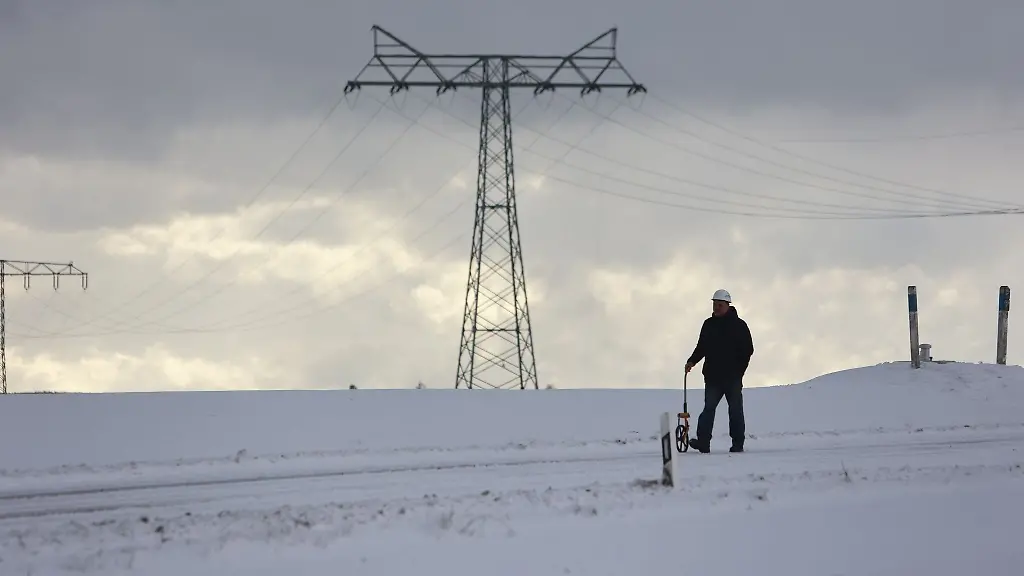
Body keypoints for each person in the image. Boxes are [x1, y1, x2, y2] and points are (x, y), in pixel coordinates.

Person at [684, 289, 754, 453]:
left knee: (735, 410)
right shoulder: (708, 324)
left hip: (733, 378)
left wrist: (739, 371)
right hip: (712, 376)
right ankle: (703, 442)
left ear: (728, 305)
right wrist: (692, 360)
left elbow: (748, 350)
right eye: (714, 304)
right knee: (708, 409)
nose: (716, 307)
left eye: (719, 305)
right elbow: (702, 346)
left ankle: (737, 444)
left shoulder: (739, 325)